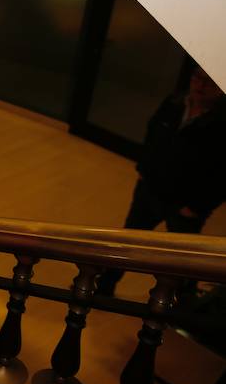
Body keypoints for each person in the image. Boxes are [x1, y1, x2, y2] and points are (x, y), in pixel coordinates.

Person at [97, 65, 226, 296]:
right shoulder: (174, 103)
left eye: (210, 81)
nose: (201, 85)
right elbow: (152, 133)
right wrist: (144, 168)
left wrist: (197, 207)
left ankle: (179, 307)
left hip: (185, 204)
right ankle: (103, 287)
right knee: (128, 242)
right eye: (197, 77)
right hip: (150, 188)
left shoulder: (222, 123)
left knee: (180, 259)